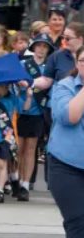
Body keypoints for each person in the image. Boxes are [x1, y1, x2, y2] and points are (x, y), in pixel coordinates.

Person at [47, 45, 84, 237]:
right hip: (66, 167)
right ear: (77, 63)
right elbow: (69, 116)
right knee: (78, 221)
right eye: (83, 61)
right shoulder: (65, 86)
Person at [16, 33, 54, 201]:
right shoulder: (24, 64)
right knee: (19, 148)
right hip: (22, 109)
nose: (41, 49)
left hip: (38, 112)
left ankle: (25, 184)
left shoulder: (49, 68)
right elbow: (15, 83)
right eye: (39, 45)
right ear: (33, 47)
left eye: (45, 46)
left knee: (31, 148)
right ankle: (17, 178)